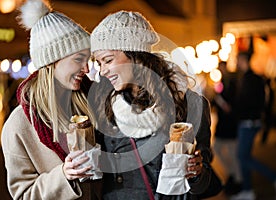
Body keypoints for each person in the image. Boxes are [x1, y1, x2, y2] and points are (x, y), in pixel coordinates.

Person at [87, 10, 221, 200]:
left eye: (108, 60)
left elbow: (202, 184)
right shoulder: (104, 103)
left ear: (136, 56)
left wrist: (197, 172)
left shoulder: (191, 104)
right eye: (99, 63)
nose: (103, 71)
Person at [1, 0, 101, 199]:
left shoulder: (94, 101)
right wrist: (64, 176)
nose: (87, 69)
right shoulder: (19, 125)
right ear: (52, 61)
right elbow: (22, 194)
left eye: (87, 59)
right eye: (78, 59)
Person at [231, 52, 276, 200]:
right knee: (244, 157)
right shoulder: (252, 78)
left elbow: (247, 102)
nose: (236, 62)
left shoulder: (249, 79)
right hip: (251, 121)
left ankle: (271, 177)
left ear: (243, 60)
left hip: (248, 122)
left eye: (238, 59)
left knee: (242, 157)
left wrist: (237, 110)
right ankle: (247, 190)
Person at [212, 61, 242, 195]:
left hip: (230, 124)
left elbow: (232, 104)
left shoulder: (232, 82)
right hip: (223, 124)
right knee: (217, 149)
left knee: (233, 153)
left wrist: (224, 104)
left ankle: (238, 181)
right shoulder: (223, 81)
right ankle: (233, 175)